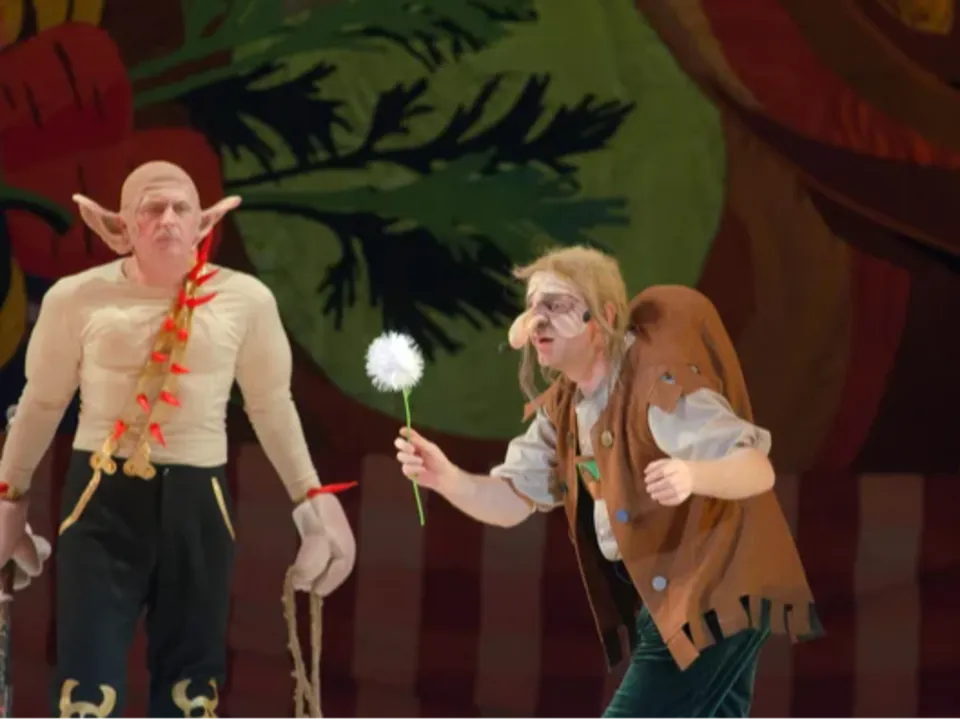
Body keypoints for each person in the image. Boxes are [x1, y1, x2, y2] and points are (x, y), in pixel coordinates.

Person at [394, 246, 821, 718]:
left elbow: (756, 468)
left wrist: (694, 474)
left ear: (603, 318)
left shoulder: (657, 386)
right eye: (533, 306)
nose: (538, 320)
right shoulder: (564, 410)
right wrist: (448, 479)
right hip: (681, 597)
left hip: (716, 587)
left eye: (556, 304)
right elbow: (514, 499)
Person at [0, 161, 356, 720]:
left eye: (180, 208)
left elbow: (270, 405)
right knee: (85, 689)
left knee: (193, 690)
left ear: (202, 223)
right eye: (152, 208)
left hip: (199, 502)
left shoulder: (247, 300)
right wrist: (8, 497)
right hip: (100, 500)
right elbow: (42, 402)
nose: (167, 219)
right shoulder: (75, 298)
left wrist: (311, 499)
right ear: (120, 228)